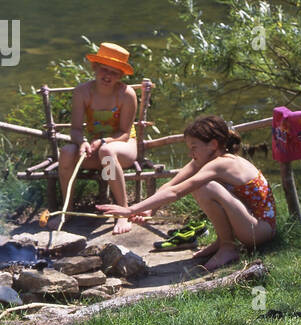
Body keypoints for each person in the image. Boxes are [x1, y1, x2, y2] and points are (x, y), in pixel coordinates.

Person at [99, 115, 276, 270]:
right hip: (249, 223)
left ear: (213, 144)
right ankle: (222, 241)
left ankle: (228, 247)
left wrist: (130, 210)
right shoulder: (206, 158)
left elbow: (177, 192)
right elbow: (171, 184)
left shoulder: (222, 163)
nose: (191, 153)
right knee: (205, 186)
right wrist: (148, 210)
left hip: (259, 231)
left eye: (194, 147)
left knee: (205, 187)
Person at [59, 43, 139, 233]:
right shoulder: (82, 92)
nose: (107, 76)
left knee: (106, 151)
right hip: (95, 147)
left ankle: (122, 212)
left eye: (114, 72)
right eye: (104, 69)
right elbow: (76, 130)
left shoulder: (127, 94)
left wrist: (103, 142)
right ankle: (67, 210)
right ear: (95, 68)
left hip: (122, 146)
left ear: (120, 76)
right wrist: (83, 142)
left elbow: (125, 133)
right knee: (66, 152)